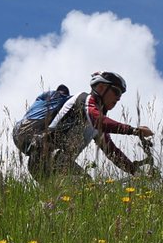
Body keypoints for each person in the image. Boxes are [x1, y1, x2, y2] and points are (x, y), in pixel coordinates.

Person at [14, 70, 155, 182]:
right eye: (116, 92)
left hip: (57, 163)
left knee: (83, 194)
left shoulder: (96, 126)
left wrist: (136, 172)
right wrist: (134, 131)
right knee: (86, 189)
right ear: (101, 87)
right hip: (45, 155)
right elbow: (98, 121)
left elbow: (112, 153)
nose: (119, 98)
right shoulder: (83, 100)